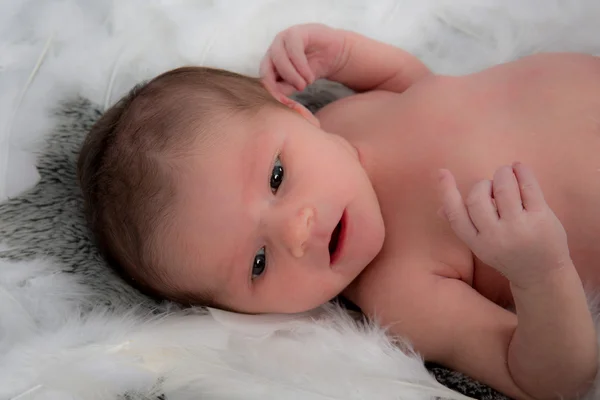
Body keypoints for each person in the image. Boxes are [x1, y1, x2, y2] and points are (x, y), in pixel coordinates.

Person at [78, 23, 600, 400]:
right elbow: (551, 380)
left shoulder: (344, 117)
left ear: (297, 110)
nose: (296, 230)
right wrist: (541, 272)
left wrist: (346, 53)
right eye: (258, 264)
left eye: (277, 177)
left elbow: (421, 86)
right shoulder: (402, 290)